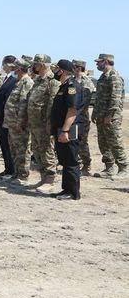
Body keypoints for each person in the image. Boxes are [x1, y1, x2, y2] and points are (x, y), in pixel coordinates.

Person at [50, 60, 83, 200]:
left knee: (70, 161)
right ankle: (66, 190)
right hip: (61, 128)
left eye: (56, 69)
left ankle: (73, 193)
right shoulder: (63, 86)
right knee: (64, 160)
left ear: (62, 71)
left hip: (69, 129)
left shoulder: (72, 87)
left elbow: (72, 110)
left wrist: (64, 131)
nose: (55, 72)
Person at [28, 54, 61, 193]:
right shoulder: (38, 80)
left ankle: (50, 181)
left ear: (42, 65)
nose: (33, 67)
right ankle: (43, 178)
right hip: (34, 123)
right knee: (37, 150)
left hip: (43, 124)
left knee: (47, 150)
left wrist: (49, 123)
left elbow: (52, 104)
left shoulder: (52, 81)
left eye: (35, 64)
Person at [91, 53, 127, 179]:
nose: (97, 64)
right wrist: (95, 113)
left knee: (115, 142)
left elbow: (115, 99)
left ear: (106, 62)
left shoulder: (115, 78)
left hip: (111, 118)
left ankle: (123, 168)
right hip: (101, 115)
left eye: (99, 62)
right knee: (103, 143)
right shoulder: (102, 77)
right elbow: (99, 98)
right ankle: (109, 167)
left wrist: (110, 115)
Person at [3, 58, 34, 184]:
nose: (13, 69)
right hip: (12, 123)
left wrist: (20, 123)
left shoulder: (27, 82)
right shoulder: (18, 81)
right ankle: (16, 173)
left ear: (19, 69)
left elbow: (23, 104)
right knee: (14, 149)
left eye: (15, 67)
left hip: (19, 124)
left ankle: (23, 175)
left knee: (22, 150)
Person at [0, 55, 18, 176]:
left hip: (7, 117)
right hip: (1, 117)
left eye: (3, 64)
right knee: (3, 143)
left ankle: (11, 170)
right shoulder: (7, 78)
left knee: (8, 145)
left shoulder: (14, 79)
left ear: (8, 64)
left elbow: (7, 99)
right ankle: (8, 169)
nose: (2, 66)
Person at [72, 60, 94, 175]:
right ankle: (77, 162)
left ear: (78, 68)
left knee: (82, 141)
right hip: (72, 116)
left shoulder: (86, 82)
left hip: (81, 117)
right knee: (73, 140)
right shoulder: (73, 80)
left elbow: (85, 101)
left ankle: (86, 164)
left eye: (73, 67)